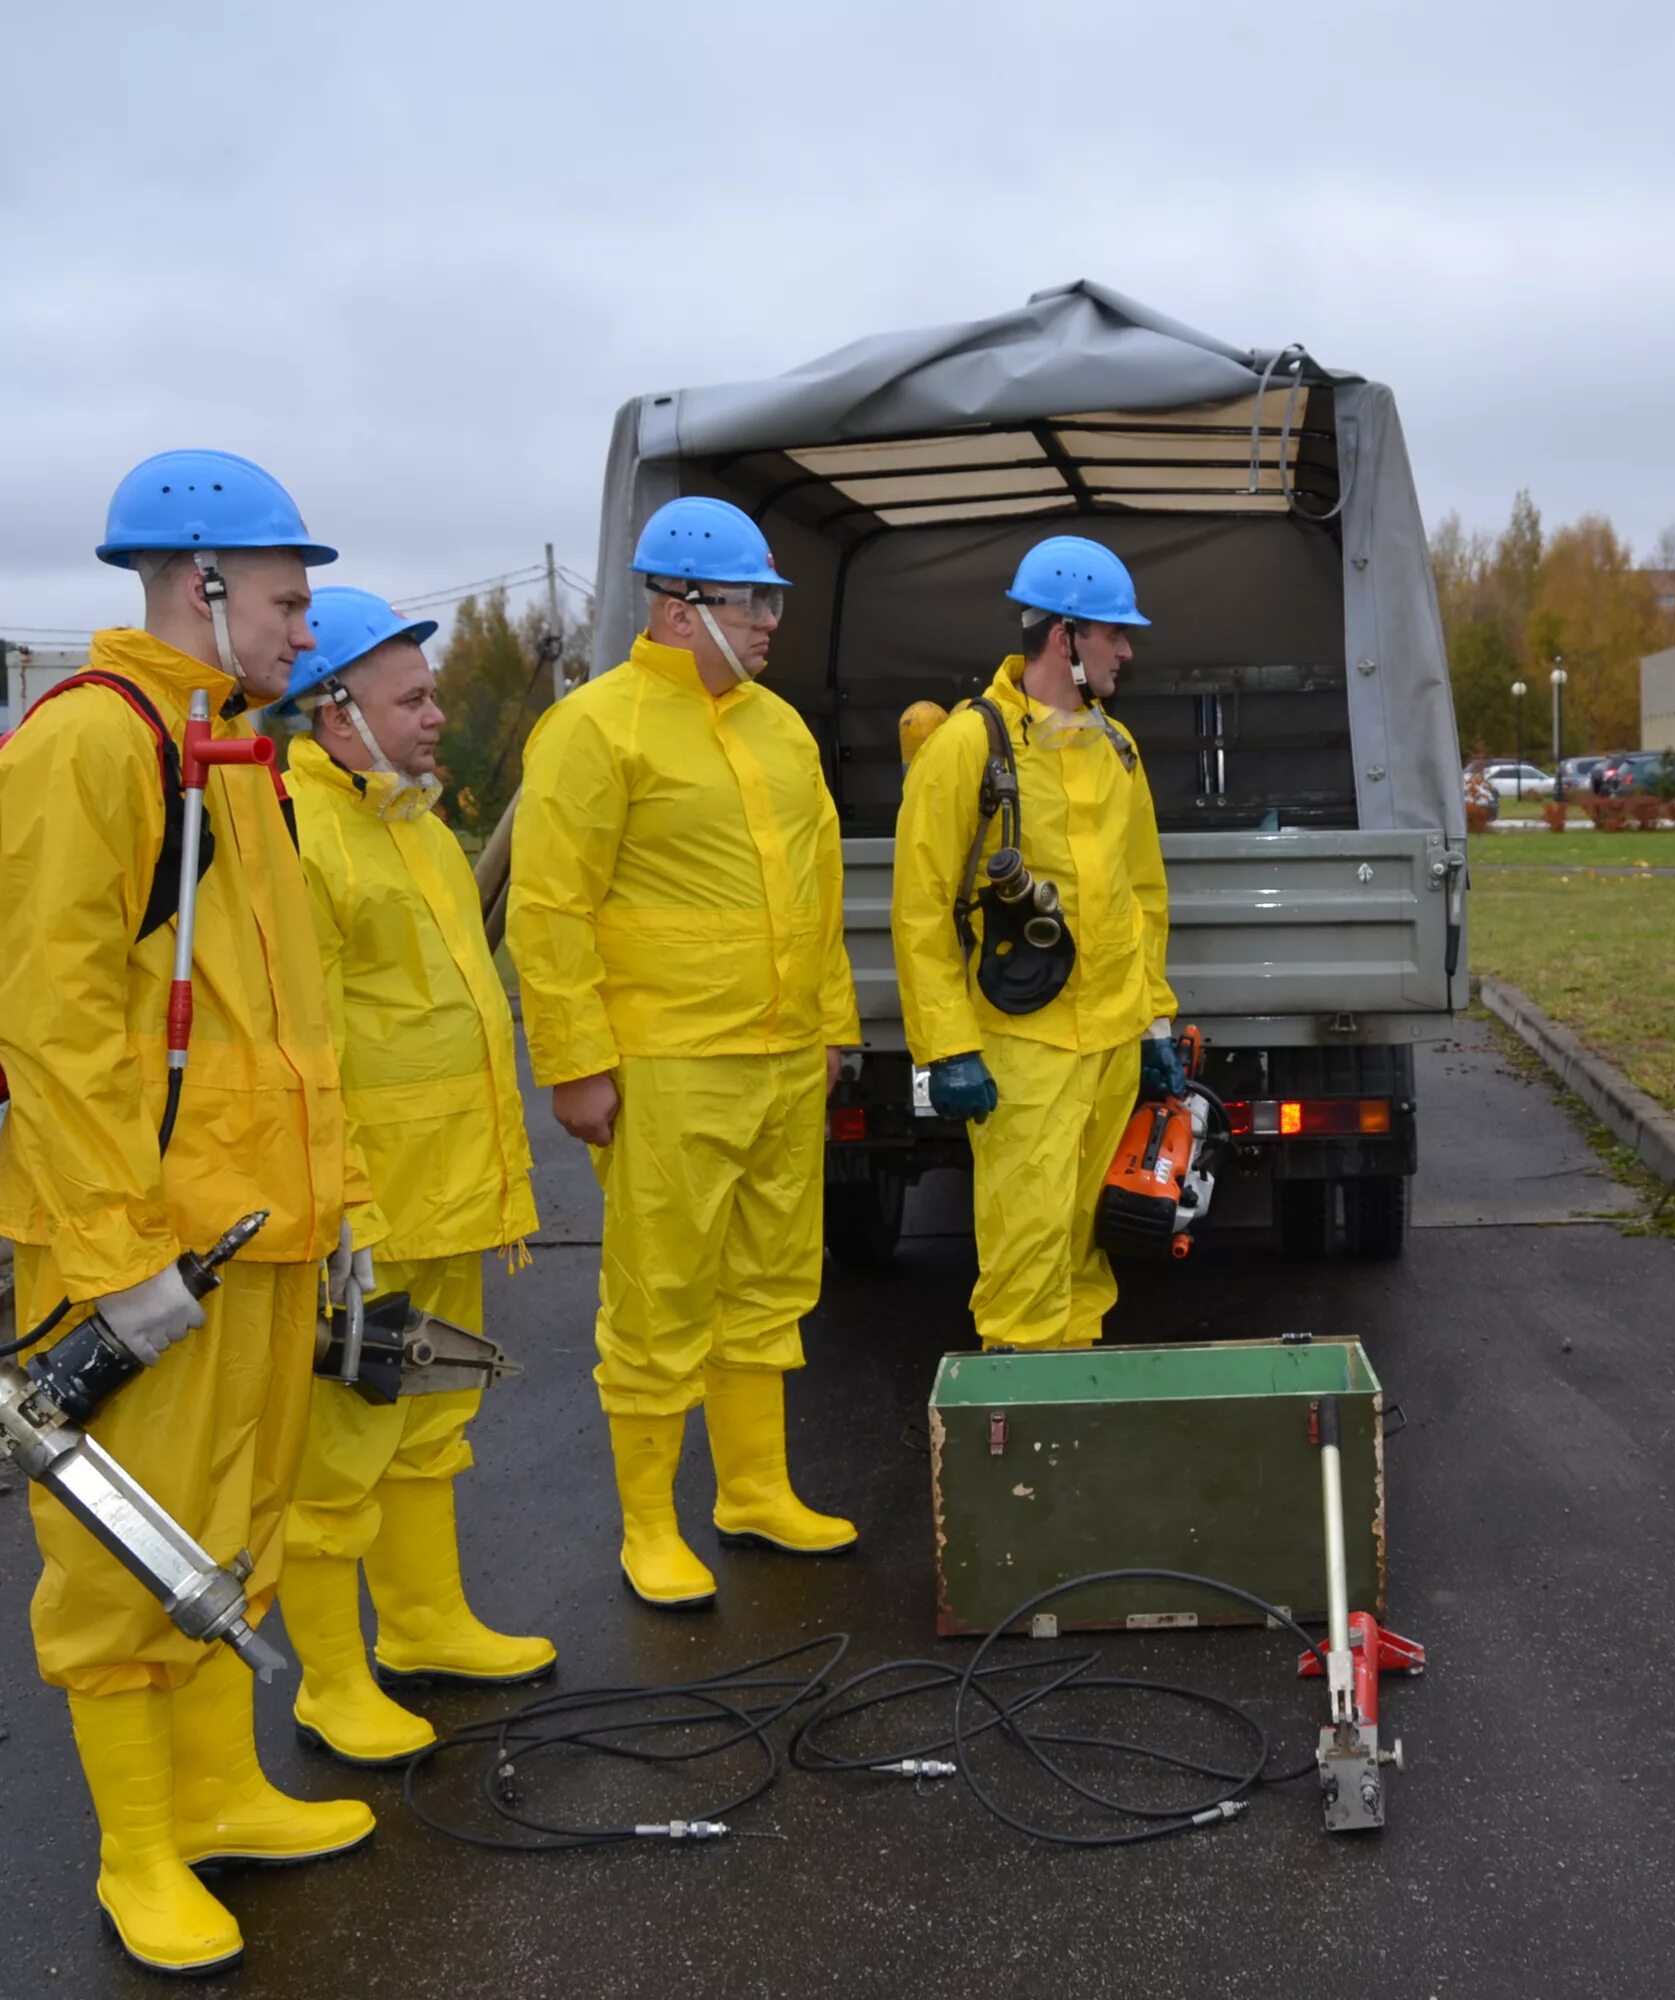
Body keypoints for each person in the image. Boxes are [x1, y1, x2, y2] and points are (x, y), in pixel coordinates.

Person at [0, 451, 373, 1974]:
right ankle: (141, 1852)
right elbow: (53, 1020)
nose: (302, 625)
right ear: (200, 583)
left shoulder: (229, 759)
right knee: (130, 1547)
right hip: (146, 1244)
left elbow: (285, 1021)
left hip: (254, 1225)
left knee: (237, 1520)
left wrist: (340, 1198)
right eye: (284, 595)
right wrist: (120, 1255)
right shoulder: (95, 749)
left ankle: (222, 1794)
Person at [508, 496, 860, 1609]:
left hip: (782, 1056)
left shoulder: (780, 726)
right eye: (754, 601)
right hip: (666, 1061)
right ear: (680, 606)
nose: (770, 623)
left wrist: (835, 1022)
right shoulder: (593, 728)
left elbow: (817, 893)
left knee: (768, 1279)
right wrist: (572, 1061)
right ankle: (650, 1525)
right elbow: (550, 906)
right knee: (663, 1291)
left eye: (771, 602)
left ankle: (754, 1488)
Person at [272, 585, 553, 1764]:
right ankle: (332, 1680)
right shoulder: (298, 833)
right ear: (335, 711)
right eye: (415, 697)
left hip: (448, 1190)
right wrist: (345, 1209)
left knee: (432, 1417)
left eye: (431, 694)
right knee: (339, 1449)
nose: (438, 715)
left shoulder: (417, 823)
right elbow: (304, 1046)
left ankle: (427, 1624)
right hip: (369, 1211)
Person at [890, 535, 1180, 1351]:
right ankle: (1021, 1462)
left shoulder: (1116, 749)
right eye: (1113, 634)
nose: (1126, 650)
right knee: (1025, 1264)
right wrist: (948, 1049)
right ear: (1066, 638)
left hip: (1112, 1047)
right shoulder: (967, 748)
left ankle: (1070, 1445)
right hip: (1022, 1050)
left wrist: (1153, 1023)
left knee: (1088, 1256)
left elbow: (1142, 900)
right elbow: (919, 912)